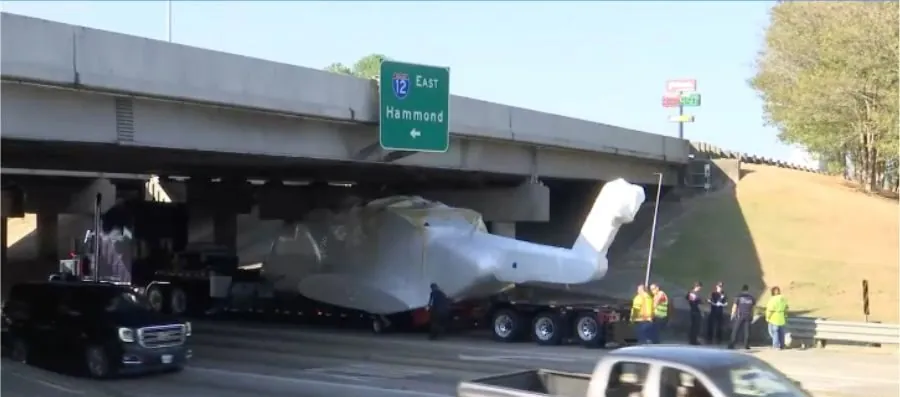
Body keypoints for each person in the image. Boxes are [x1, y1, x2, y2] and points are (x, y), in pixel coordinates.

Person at [728, 284, 756, 350]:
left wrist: (732, 314)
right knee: (747, 331)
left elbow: (735, 306)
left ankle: (732, 344)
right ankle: (746, 345)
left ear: (742, 289)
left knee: (735, 330)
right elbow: (753, 308)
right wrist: (752, 315)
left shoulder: (738, 297)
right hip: (748, 315)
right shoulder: (751, 298)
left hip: (739, 315)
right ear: (748, 290)